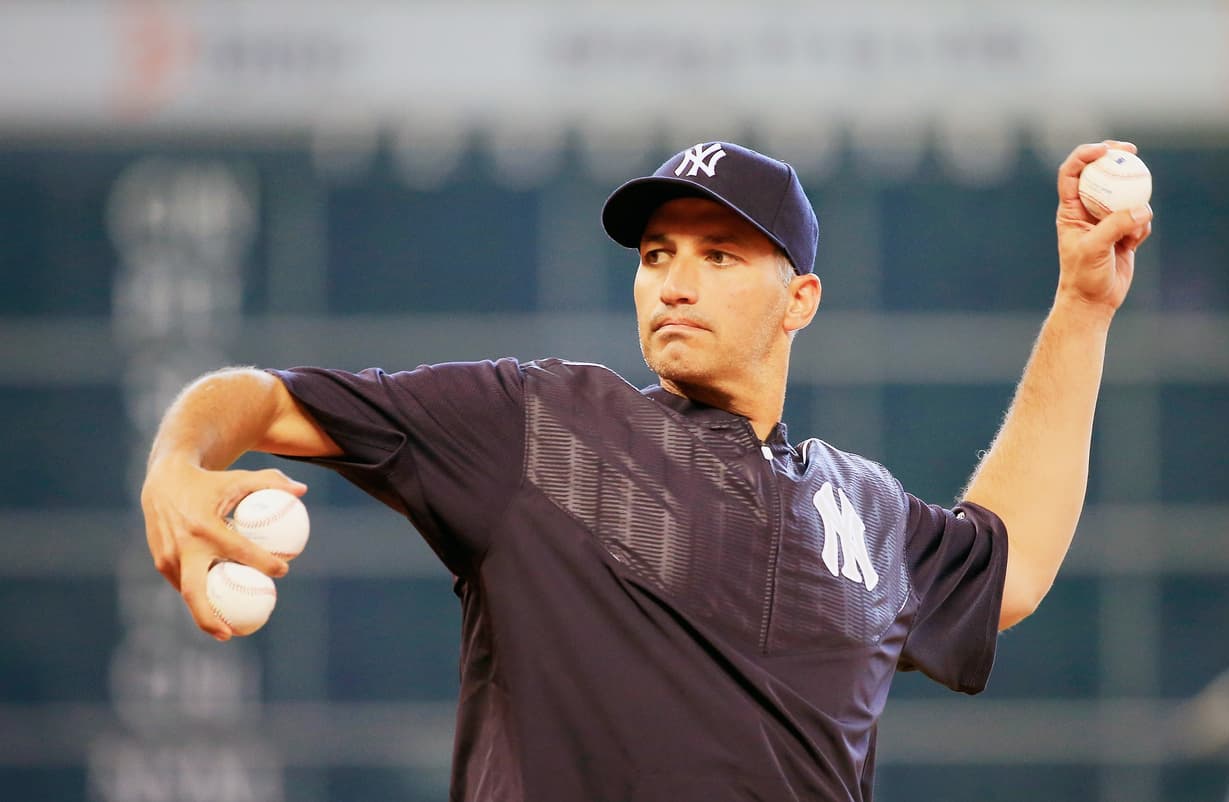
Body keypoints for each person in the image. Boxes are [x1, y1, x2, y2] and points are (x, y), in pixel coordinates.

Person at [140, 139, 1154, 801]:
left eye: (717, 255)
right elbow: (264, 398)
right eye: (656, 253)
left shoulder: (865, 511)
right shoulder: (537, 423)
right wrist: (177, 461)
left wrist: (1082, 305)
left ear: (798, 299)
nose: (673, 281)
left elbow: (1008, 564)